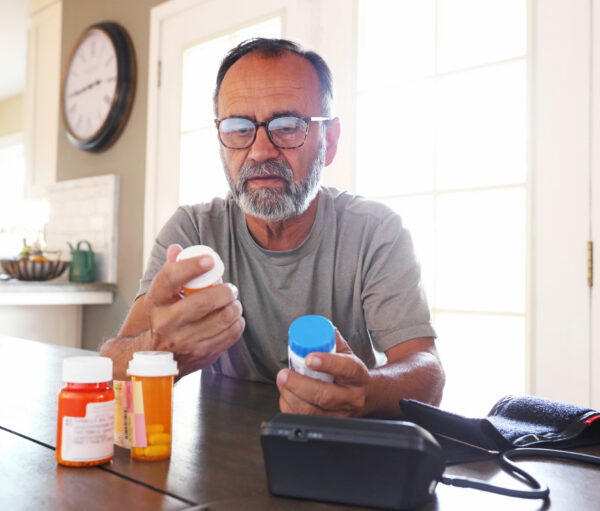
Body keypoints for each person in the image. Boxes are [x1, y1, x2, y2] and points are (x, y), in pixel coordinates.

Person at [100, 38, 444, 418]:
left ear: (328, 141)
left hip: (341, 449)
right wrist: (160, 345)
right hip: (220, 457)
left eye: (287, 126)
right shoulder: (192, 233)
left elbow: (427, 373)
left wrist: (365, 392)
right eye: (238, 127)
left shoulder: (375, 232)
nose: (260, 150)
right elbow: (112, 367)